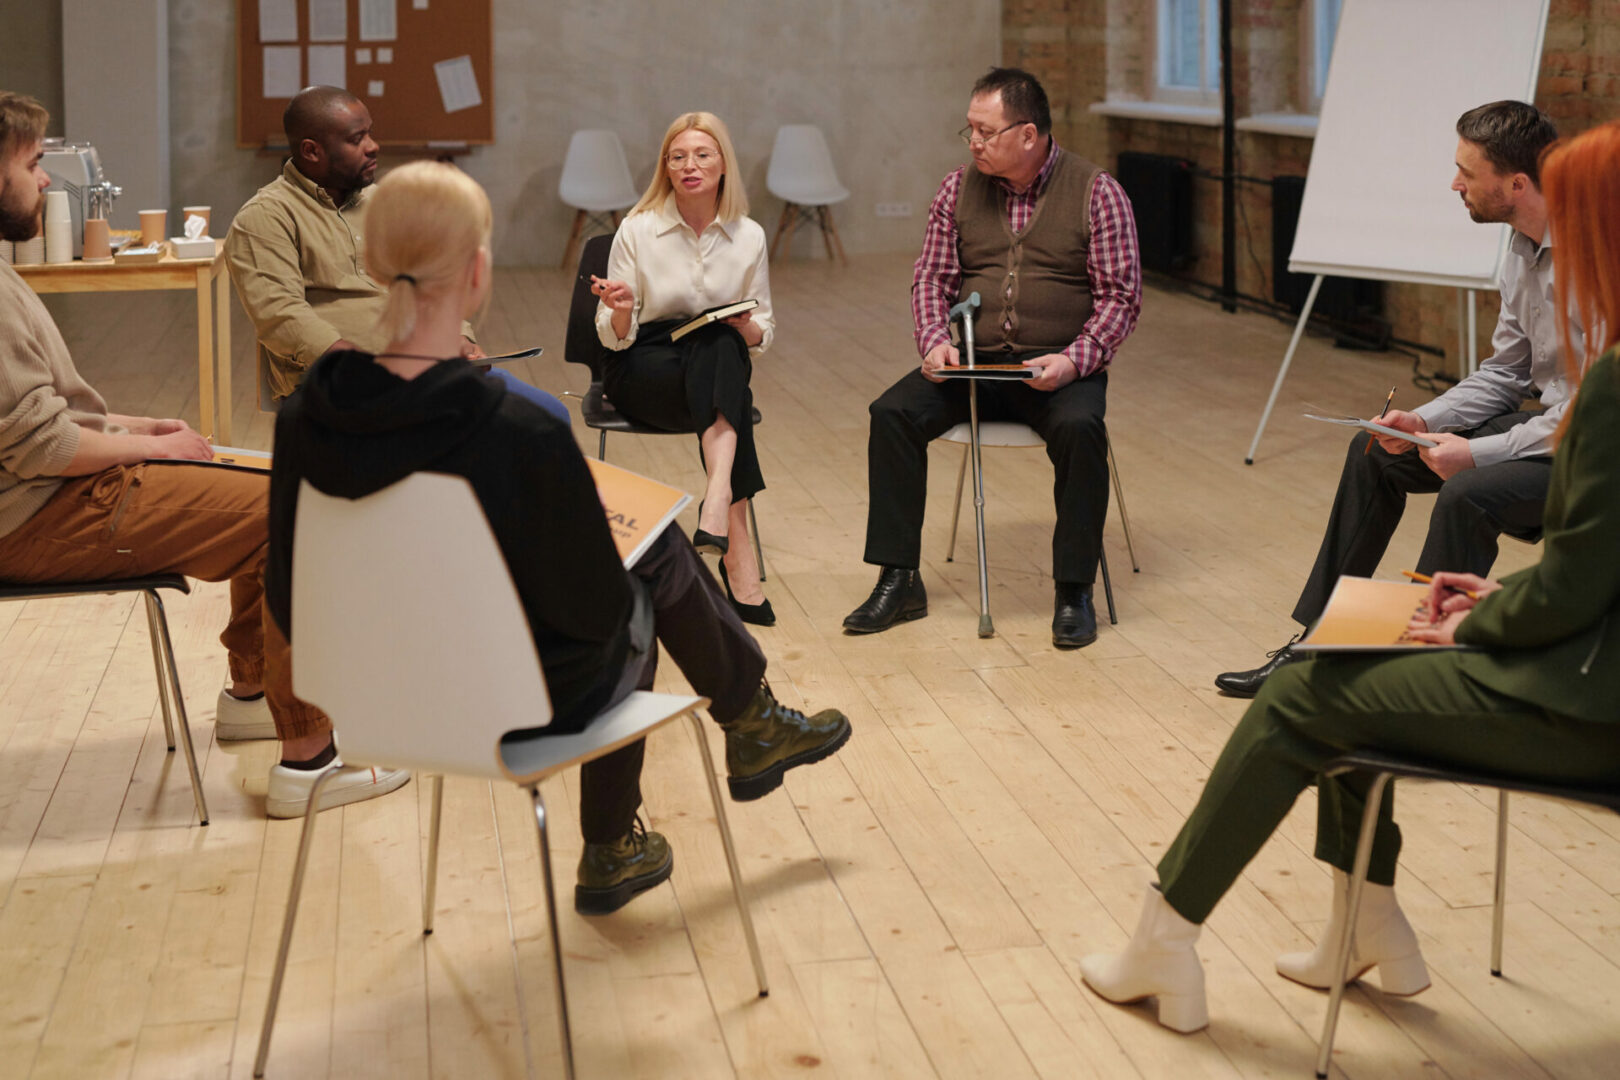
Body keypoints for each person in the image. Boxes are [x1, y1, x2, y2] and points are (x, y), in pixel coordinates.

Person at [1078, 119, 1620, 1036]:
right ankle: (1365, 928)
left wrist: (1473, 623)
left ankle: (1163, 944)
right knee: (1348, 643)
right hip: (1587, 659)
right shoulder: (1548, 298)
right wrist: (1431, 440)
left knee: (1303, 697)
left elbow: (1574, 586)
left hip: (1586, 699)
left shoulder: (1610, 390)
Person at [267, 161, 852, 913]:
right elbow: (591, 616)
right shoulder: (518, 425)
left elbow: (287, 595)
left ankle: (738, 734)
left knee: (642, 555)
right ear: (479, 273)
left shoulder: (302, 421)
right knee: (651, 556)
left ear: (372, 265)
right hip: (513, 702)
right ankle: (679, 780)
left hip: (371, 701)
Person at [0, 91, 407, 819]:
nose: (46, 183)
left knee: (279, 490)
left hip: (46, 494)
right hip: (36, 516)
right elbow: (44, 445)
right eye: (33, 166)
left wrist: (139, 430)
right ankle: (310, 761)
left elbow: (43, 420)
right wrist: (133, 448)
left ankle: (253, 695)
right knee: (301, 514)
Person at [1216, 100, 1580, 697]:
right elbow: (1505, 373)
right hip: (1550, 428)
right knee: (1375, 450)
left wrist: (1476, 454)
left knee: (1468, 491)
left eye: (1467, 170)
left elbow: (1587, 413)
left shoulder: (1596, 261)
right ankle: (1316, 644)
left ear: (1516, 182)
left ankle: (1414, 672)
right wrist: (1422, 420)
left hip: (1595, 448)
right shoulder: (1519, 248)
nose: (1454, 183)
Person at [842, 67, 1142, 648]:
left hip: (1056, 368)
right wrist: (934, 340)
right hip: (971, 364)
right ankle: (899, 578)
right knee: (892, 413)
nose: (973, 141)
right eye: (969, 131)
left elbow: (1119, 299)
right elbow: (931, 277)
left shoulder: (1097, 192)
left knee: (1082, 428)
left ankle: (1074, 588)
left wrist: (1076, 360)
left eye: (985, 131)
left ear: (1028, 135)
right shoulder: (957, 188)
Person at [225, 85, 565, 420]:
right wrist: (366, 368)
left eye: (370, 133)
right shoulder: (265, 217)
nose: (373, 147)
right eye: (356, 139)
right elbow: (281, 317)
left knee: (549, 414)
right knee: (484, 433)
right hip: (338, 382)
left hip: (424, 365)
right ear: (312, 151)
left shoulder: (384, 203)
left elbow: (430, 279)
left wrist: (460, 337)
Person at [590, 111, 776, 626]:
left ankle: (716, 503)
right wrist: (622, 308)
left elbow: (762, 335)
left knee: (721, 344)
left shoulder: (750, 235)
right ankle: (737, 554)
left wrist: (744, 325)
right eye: (678, 157)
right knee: (726, 382)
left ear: (723, 165)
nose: (689, 166)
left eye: (702, 155)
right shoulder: (637, 229)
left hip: (714, 360)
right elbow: (611, 333)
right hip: (642, 364)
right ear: (665, 169)